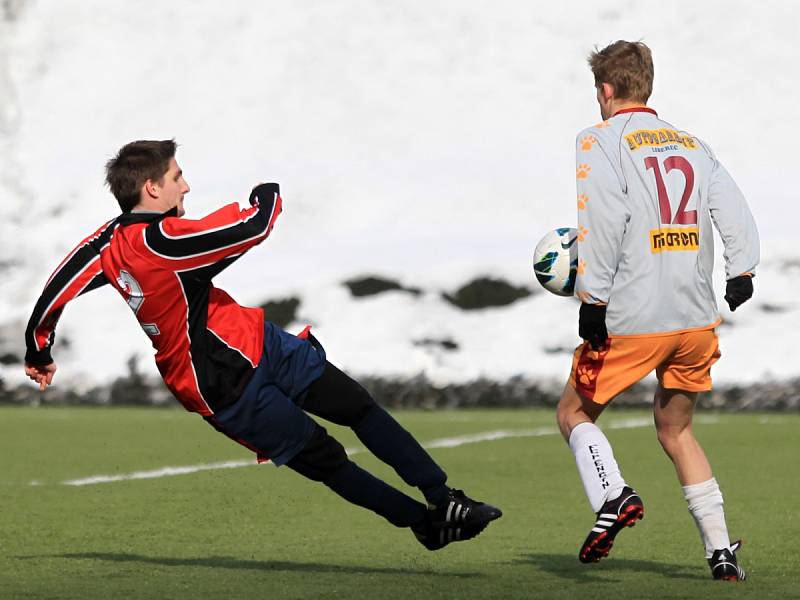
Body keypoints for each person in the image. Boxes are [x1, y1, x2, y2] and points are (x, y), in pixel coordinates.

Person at [23, 139, 501, 550]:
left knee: (354, 407)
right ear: (153, 189)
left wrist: (38, 351)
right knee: (328, 457)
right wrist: (268, 189)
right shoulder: (167, 241)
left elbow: (55, 291)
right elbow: (255, 225)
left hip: (252, 341)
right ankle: (425, 522)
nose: (185, 186)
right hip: (223, 386)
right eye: (177, 176)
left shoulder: (107, 242)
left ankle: (444, 500)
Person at [556, 41, 758, 581]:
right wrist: (742, 270)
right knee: (676, 430)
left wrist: (592, 299)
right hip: (694, 319)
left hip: (635, 314)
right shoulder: (693, 143)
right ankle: (720, 553)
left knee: (573, 413)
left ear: (605, 90)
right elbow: (731, 206)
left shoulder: (599, 140)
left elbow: (604, 216)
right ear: (646, 85)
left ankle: (613, 495)